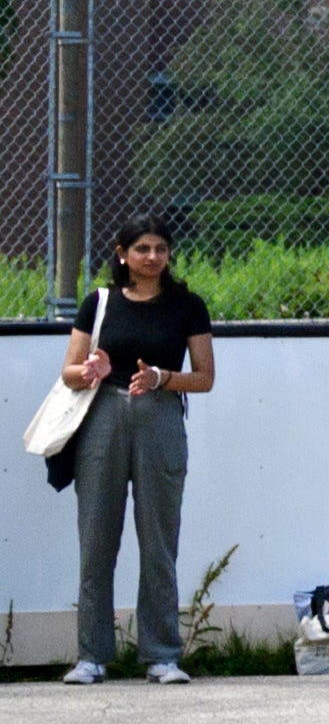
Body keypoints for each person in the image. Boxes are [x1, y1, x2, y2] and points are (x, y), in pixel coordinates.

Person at [54, 213, 213, 688]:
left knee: (159, 542)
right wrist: (92, 370)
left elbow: (204, 378)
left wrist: (163, 377)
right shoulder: (99, 302)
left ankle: (162, 655)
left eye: (160, 249)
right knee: (97, 540)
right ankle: (91, 656)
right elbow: (68, 372)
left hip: (160, 419)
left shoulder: (187, 305)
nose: (152, 257)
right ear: (122, 254)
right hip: (103, 417)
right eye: (142, 248)